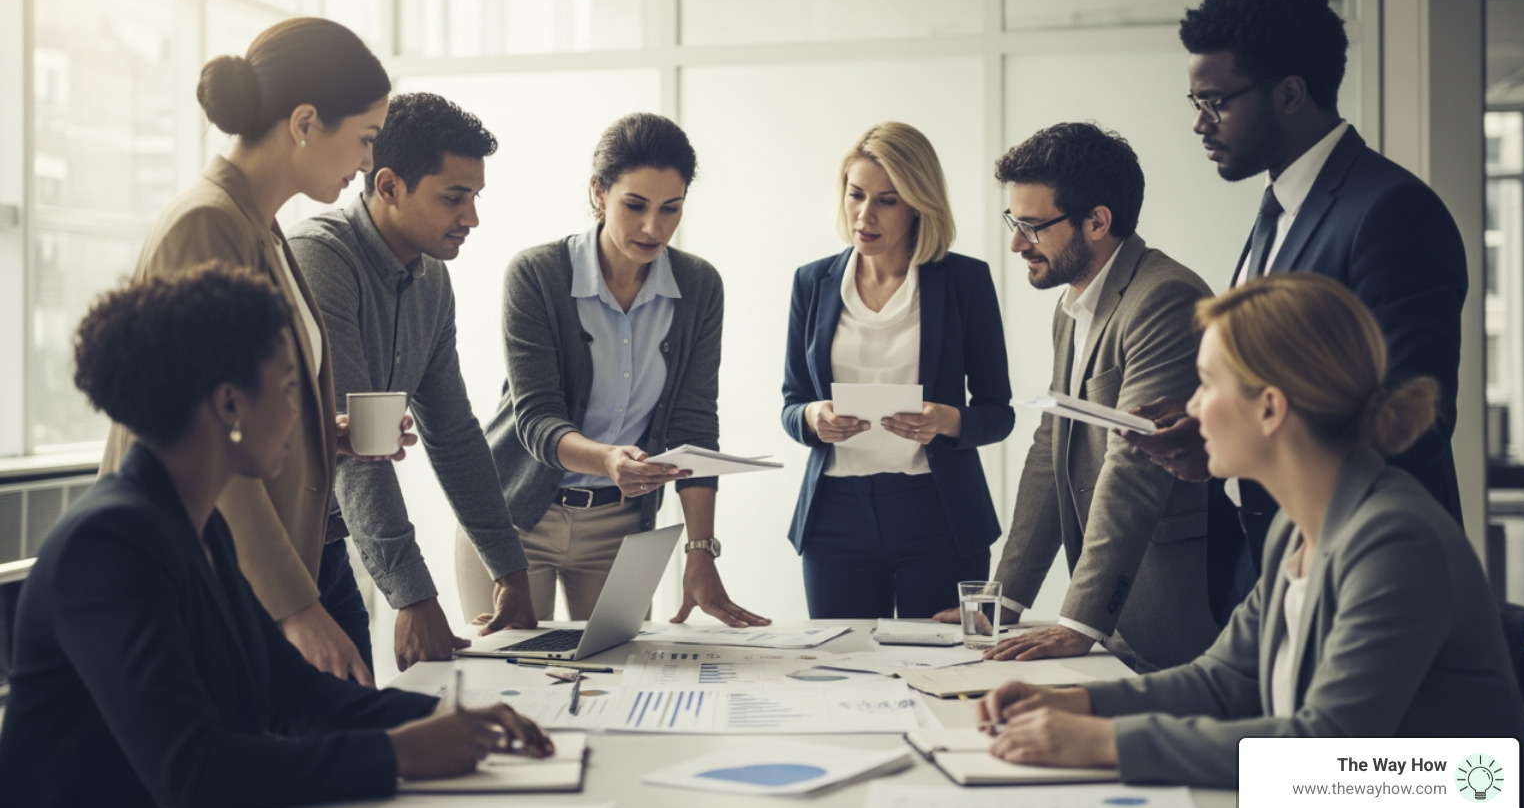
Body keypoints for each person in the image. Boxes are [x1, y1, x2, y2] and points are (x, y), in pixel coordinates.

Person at [0, 265, 552, 808]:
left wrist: (445, 719)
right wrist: (400, 754)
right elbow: (192, 771)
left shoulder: (199, 526)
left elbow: (292, 691)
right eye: (290, 388)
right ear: (230, 405)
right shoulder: (108, 546)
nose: (303, 413)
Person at [977, 273, 1524, 808]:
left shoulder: (1394, 541)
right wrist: (1077, 703)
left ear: (1270, 408)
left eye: (1206, 385)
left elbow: (1326, 751)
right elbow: (1222, 681)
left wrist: (1106, 743)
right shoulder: (1299, 529)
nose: (1191, 409)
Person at [1122, 0, 1468, 621]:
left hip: (1364, 572)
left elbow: (1412, 419)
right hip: (1271, 568)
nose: (1199, 123)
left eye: (1216, 101)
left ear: (1289, 93)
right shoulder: (1277, 207)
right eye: (1194, 101)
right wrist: (1212, 428)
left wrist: (1255, 439)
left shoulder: (1392, 211)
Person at [99, 18, 414, 685]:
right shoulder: (207, 224)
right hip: (195, 572)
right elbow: (196, 437)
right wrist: (298, 609)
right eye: (364, 139)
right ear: (305, 122)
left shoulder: (262, 227)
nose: (365, 161)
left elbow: (236, 409)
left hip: (234, 575)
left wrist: (322, 437)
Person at [934, 123, 1217, 670]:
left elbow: (1134, 464)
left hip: (1163, 601)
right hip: (1113, 614)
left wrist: (1078, 620)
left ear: (1097, 221)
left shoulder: (1162, 297)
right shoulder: (1074, 304)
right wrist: (1005, 600)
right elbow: (1051, 453)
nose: (1016, 243)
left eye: (1032, 226)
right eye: (1013, 223)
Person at [469, 112, 766, 627]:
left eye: (671, 209)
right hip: (513, 516)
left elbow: (695, 422)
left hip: (619, 524)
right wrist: (608, 458)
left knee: (621, 681)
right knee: (511, 683)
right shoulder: (536, 275)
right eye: (635, 205)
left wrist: (700, 551)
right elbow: (536, 420)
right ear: (598, 193)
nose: (654, 227)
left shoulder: (698, 288)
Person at [290, 93, 536, 673]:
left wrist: (509, 567)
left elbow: (453, 433)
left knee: (353, 717)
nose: (472, 217)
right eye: (454, 197)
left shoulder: (430, 281)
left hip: (324, 546)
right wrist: (414, 596)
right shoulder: (318, 257)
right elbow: (358, 449)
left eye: (475, 197)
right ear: (390, 185)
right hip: (260, 553)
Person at [782, 122, 1013, 619]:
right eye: (856, 194)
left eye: (887, 200)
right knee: (841, 676)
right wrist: (812, 417)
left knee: (940, 673)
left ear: (918, 203)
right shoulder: (811, 282)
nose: (865, 215)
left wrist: (947, 421)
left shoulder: (965, 281)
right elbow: (791, 403)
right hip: (834, 517)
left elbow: (999, 411)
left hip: (938, 511)